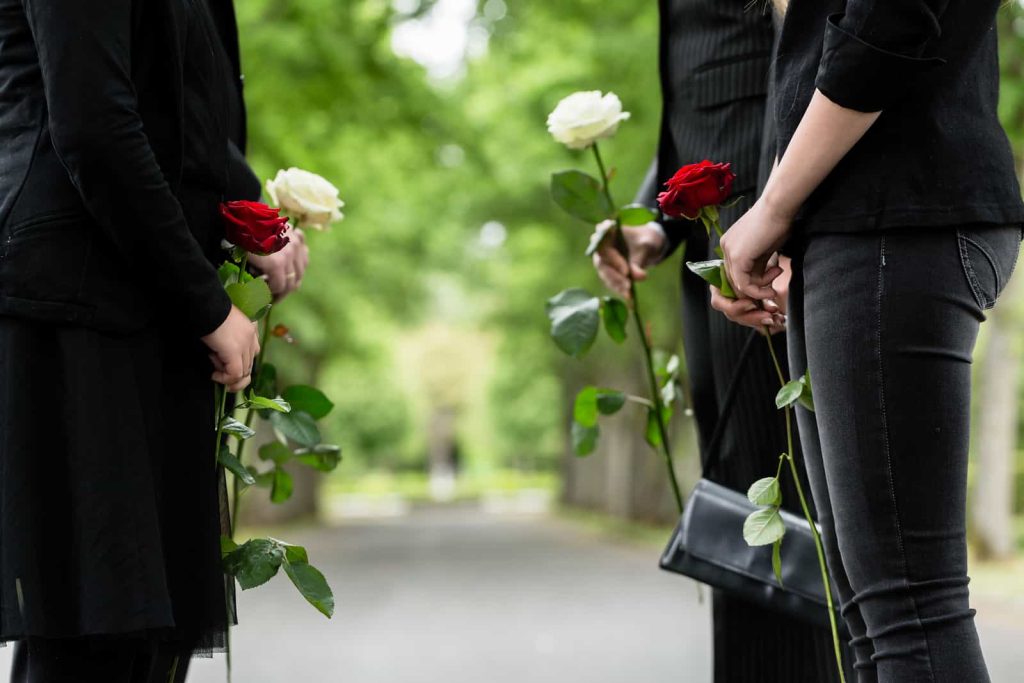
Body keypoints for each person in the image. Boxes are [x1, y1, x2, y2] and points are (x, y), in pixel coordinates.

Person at [713, 1, 1024, 681]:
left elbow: (892, 16)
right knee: (868, 616)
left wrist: (774, 209)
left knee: (906, 611)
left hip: (894, 211)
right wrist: (785, 221)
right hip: (859, 219)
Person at [0, 0, 262, 680]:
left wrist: (257, 213)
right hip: (78, 306)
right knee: (94, 637)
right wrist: (209, 307)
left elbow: (176, 99)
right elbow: (93, 124)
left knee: (143, 633)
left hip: (144, 303)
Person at [593, 1, 850, 680]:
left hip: (775, 251)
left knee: (794, 533)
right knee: (748, 529)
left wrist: (783, 224)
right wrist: (658, 219)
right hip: (720, 248)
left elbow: (812, 57)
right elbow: (709, 95)